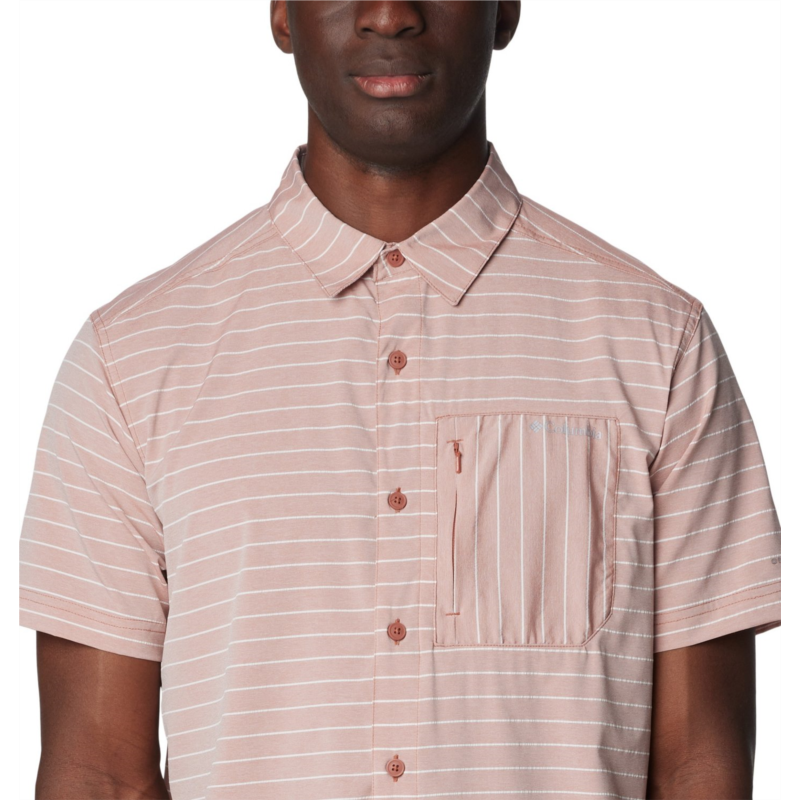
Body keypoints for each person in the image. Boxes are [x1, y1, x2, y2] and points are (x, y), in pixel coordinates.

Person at [19, 2, 781, 799]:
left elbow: (700, 763)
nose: (389, 14)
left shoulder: (658, 344)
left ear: (505, 10)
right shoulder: (132, 358)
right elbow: (98, 773)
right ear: (281, 14)